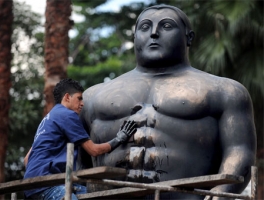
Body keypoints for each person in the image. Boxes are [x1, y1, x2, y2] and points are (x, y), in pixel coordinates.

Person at [79, 4, 256, 200]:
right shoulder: (91, 96)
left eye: (166, 26)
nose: (154, 33)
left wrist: (220, 195)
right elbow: (76, 160)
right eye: (145, 27)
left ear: (189, 37)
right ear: (135, 36)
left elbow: (239, 151)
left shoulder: (225, 91)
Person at [23, 78, 137, 200]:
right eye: (79, 98)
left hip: (30, 186)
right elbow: (94, 151)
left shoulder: (48, 119)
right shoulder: (67, 114)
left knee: (91, 193)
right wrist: (119, 139)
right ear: (67, 97)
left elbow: (26, 160)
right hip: (46, 185)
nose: (82, 103)